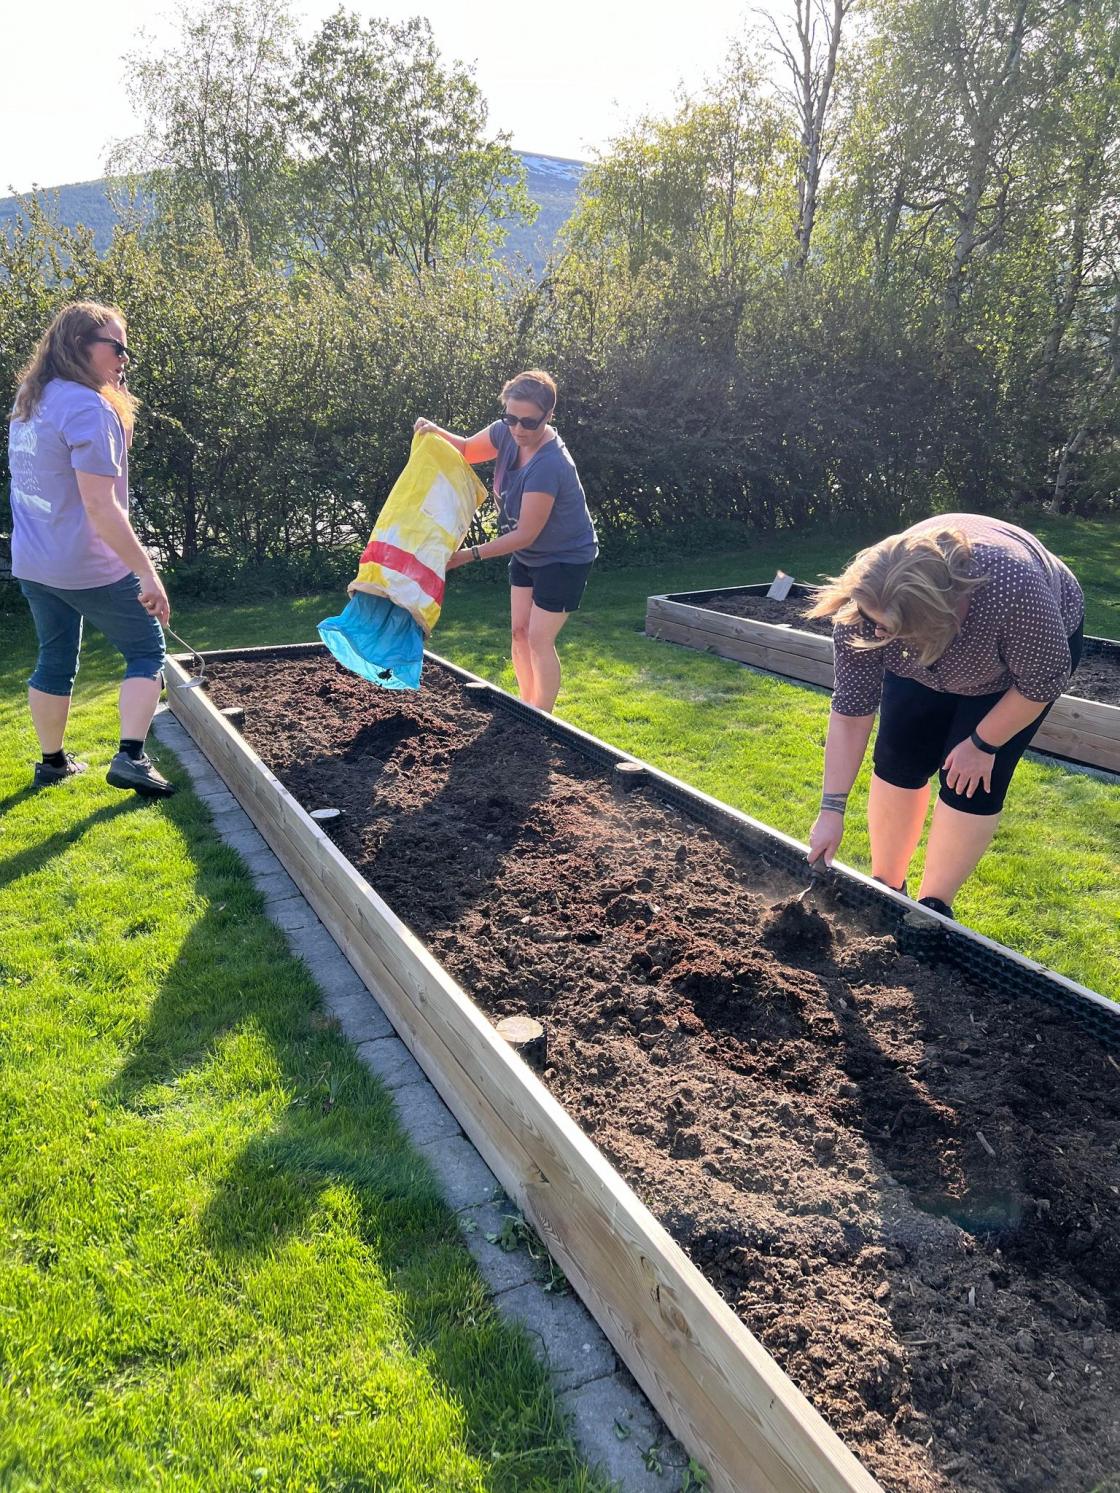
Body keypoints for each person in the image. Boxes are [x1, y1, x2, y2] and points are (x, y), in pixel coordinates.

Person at [805, 514, 1084, 918]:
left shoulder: (1013, 591)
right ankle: (888, 888)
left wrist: (982, 743)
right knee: (899, 758)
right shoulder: (864, 611)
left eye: (884, 629)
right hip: (925, 652)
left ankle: (932, 910)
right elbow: (851, 710)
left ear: (937, 618)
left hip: (1015, 669)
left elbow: (1041, 682)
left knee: (970, 781)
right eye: (871, 623)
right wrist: (831, 809)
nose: (871, 633)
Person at [8, 301, 175, 797]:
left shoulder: (32, 399)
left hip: (35, 562)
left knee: (54, 658)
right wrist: (147, 572)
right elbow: (102, 507)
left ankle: (53, 763)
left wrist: (117, 409)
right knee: (147, 650)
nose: (125, 357)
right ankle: (131, 757)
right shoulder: (86, 406)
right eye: (116, 347)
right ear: (81, 346)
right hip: (89, 564)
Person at [413, 369, 598, 714]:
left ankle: (543, 720)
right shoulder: (505, 433)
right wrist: (435, 431)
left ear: (549, 416)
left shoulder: (549, 465)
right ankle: (526, 709)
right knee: (518, 633)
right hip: (529, 553)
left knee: (539, 640)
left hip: (564, 558)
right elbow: (468, 449)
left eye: (529, 422)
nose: (518, 429)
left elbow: (526, 532)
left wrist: (467, 555)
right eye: (511, 418)